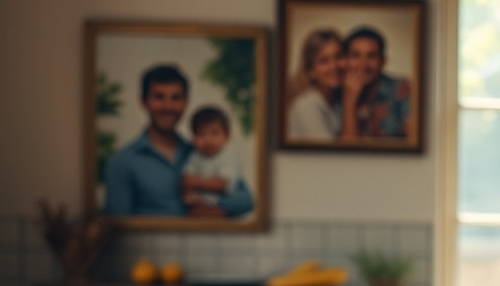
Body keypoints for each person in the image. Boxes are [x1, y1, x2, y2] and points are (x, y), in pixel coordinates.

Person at [102, 64, 254, 217]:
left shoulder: (202, 151)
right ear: (143, 102)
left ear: (185, 103)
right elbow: (117, 224)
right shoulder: (122, 162)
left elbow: (246, 199)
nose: (168, 106)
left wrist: (217, 210)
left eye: (176, 98)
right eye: (159, 97)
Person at [339, 25, 412, 141]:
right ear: (345, 60)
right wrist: (349, 102)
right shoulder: (335, 91)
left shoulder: (401, 89)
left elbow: (417, 142)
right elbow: (347, 148)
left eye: (371, 56)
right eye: (356, 56)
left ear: (383, 61)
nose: (363, 65)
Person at [180, 106, 245, 218]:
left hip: (221, 203)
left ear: (227, 136)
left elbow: (222, 184)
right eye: (202, 134)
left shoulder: (228, 155)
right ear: (193, 137)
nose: (208, 140)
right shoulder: (195, 155)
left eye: (215, 133)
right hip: (198, 204)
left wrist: (196, 182)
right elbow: (186, 179)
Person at [285, 27, 344, 140]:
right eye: (324, 61)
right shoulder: (306, 106)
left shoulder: (334, 102)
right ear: (311, 70)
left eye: (338, 57)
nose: (334, 66)